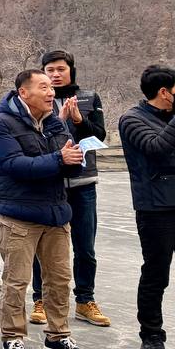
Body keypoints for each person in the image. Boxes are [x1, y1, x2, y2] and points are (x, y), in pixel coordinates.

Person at [0, 69, 84, 349]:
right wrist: (59, 158)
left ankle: (58, 334)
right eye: (43, 87)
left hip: (56, 214)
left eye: (51, 88)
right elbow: (13, 165)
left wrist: (74, 159)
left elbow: (67, 162)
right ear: (23, 92)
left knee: (60, 280)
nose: (51, 92)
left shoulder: (55, 121)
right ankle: (13, 336)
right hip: (19, 216)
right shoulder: (1, 123)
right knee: (17, 281)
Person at [29, 50, 110, 328]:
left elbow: (99, 135)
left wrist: (78, 121)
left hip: (83, 183)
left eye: (60, 69)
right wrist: (59, 121)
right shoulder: (35, 99)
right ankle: (40, 299)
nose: (55, 75)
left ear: (71, 70)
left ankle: (85, 300)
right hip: (48, 183)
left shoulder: (89, 97)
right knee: (42, 246)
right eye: (50, 70)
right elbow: (31, 138)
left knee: (85, 247)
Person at [118, 65, 175, 349]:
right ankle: (151, 334)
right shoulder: (132, 119)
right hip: (155, 208)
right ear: (164, 92)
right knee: (157, 273)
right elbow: (155, 148)